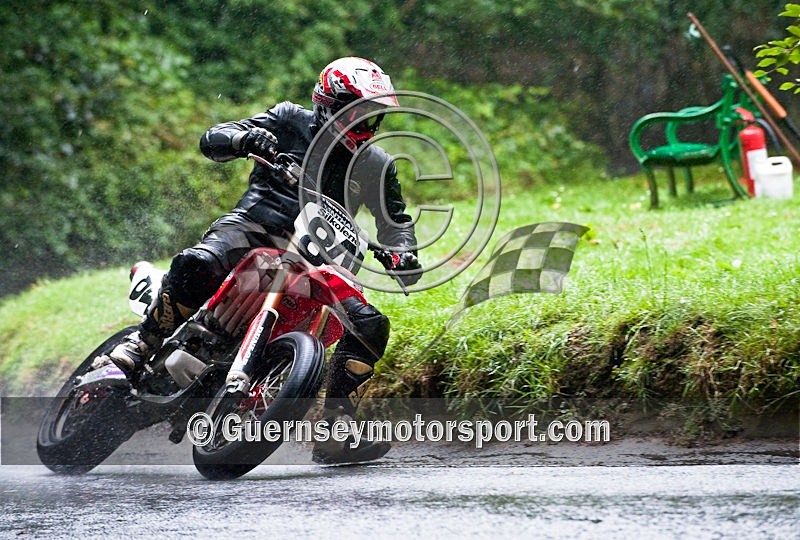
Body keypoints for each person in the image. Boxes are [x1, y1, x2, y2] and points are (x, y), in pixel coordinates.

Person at [94, 57, 422, 464]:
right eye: (355, 112)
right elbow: (215, 137)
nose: (363, 123)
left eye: (371, 115)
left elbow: (396, 224)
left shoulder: (378, 165)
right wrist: (245, 140)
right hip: (253, 228)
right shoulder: (287, 120)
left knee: (370, 324)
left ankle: (336, 427)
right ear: (327, 103)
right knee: (201, 261)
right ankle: (141, 344)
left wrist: (403, 252)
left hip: (319, 256)